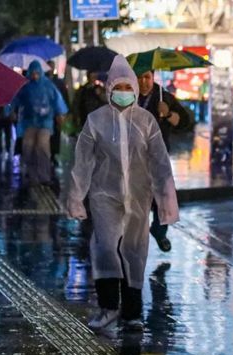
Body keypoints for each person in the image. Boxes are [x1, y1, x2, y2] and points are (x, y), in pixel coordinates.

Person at [67, 55, 179, 331]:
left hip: (139, 196)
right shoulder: (96, 121)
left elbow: (160, 162)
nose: (124, 93)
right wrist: (76, 196)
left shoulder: (146, 121)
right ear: (109, 89)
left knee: (135, 252)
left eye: (129, 88)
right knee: (105, 248)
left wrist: (166, 199)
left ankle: (132, 313)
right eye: (119, 87)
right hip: (104, 195)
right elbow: (82, 162)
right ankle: (108, 307)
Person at [137, 69, 190, 252]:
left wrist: (167, 114)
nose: (143, 82)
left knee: (164, 197)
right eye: (139, 77)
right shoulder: (127, 96)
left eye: (147, 77)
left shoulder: (164, 97)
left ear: (153, 77)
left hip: (158, 156)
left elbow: (184, 122)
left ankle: (159, 231)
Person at [9, 60, 68, 186]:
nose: (35, 76)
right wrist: (12, 111)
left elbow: (56, 100)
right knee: (28, 148)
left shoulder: (48, 85)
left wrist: (59, 114)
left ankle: (44, 175)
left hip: (45, 123)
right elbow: (16, 100)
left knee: (43, 148)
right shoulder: (25, 86)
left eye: (37, 73)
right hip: (29, 122)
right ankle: (31, 174)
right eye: (33, 73)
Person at [46, 60, 70, 166]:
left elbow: (64, 96)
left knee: (56, 134)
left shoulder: (59, 82)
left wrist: (65, 112)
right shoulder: (44, 81)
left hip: (57, 113)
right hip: (46, 113)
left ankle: (54, 154)